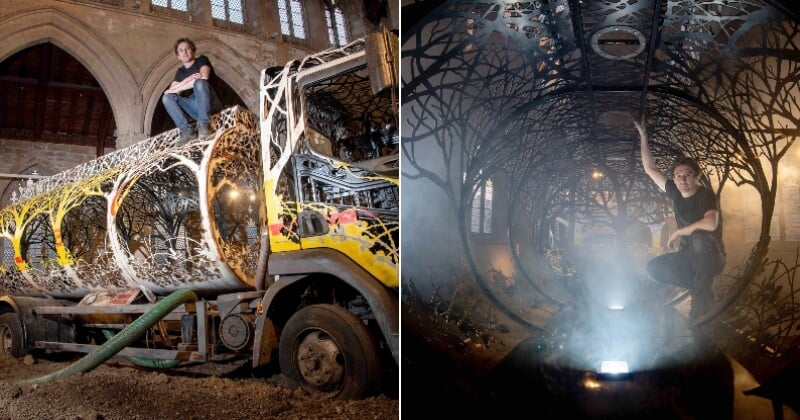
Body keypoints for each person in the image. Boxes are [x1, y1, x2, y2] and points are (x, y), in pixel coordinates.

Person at [634, 117, 725, 321]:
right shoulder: (675, 192)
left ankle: (702, 301)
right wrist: (643, 136)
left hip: (711, 256)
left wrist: (678, 231)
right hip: (688, 258)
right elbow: (650, 169)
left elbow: (711, 223)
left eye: (687, 175)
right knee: (654, 268)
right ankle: (698, 288)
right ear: (674, 178)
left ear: (697, 177)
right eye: (678, 176)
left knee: (699, 237)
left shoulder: (705, 195)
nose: (682, 180)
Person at [162, 37, 215, 146]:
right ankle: (187, 131)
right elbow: (169, 92)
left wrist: (180, 86)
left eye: (187, 49)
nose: (185, 52)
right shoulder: (180, 72)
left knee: (199, 83)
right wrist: (186, 80)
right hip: (193, 107)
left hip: (209, 103)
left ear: (193, 51)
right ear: (178, 56)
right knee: (167, 98)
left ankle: (204, 125)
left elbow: (204, 77)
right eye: (181, 50)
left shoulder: (201, 60)